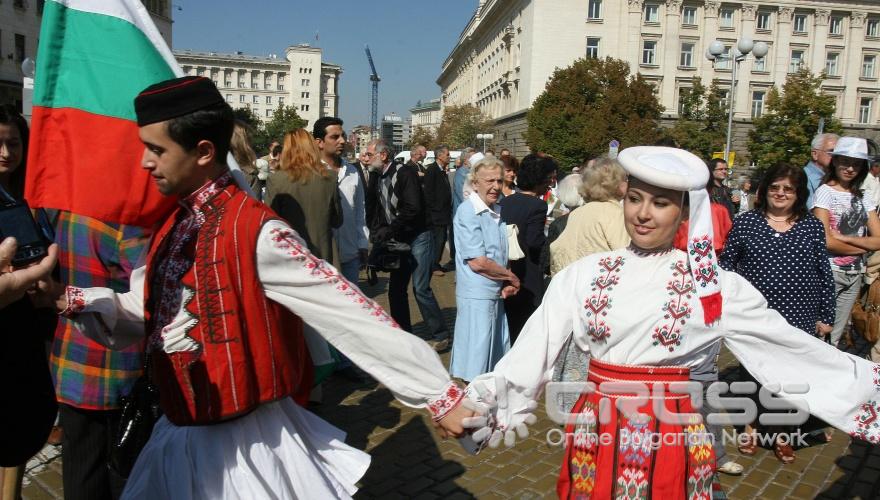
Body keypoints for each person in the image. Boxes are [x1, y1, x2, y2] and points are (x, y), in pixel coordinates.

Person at [39, 76, 472, 499]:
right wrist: (66, 297)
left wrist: (438, 394)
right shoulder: (175, 224)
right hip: (178, 435)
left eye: (157, 150)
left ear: (204, 152)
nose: (144, 163)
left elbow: (350, 312)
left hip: (243, 448)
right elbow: (152, 311)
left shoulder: (257, 232)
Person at [462, 146, 880, 498]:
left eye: (660, 203)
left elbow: (790, 349)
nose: (643, 214)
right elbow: (534, 349)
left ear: (684, 213)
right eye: (634, 198)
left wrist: (868, 391)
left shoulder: (713, 285)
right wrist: (474, 408)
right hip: (598, 427)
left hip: (673, 432)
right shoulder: (584, 274)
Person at [720, 163, 834, 464]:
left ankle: (782, 433)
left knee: (790, 376)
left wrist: (826, 315)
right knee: (753, 373)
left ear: (798, 194)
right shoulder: (747, 223)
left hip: (799, 315)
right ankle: (751, 427)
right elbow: (727, 265)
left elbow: (823, 271)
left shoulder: (811, 226)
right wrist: (726, 303)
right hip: (754, 314)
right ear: (765, 190)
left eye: (788, 189)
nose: (781, 194)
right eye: (775, 187)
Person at [0, 106, 59, 499]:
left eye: (14, 143)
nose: (6, 152)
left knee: (20, 411)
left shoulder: (33, 195)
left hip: (29, 318)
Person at [366, 139, 450, 348]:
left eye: (370, 154)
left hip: (418, 236)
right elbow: (374, 207)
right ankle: (404, 336)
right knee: (396, 290)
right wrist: (376, 232)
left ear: (383, 155)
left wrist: (390, 229)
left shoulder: (404, 173)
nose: (366, 159)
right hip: (398, 238)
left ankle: (441, 335)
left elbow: (413, 208)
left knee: (420, 288)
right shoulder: (376, 176)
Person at [450, 157, 519, 382]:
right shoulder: (468, 211)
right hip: (477, 294)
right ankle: (473, 395)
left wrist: (505, 279)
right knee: (476, 356)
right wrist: (511, 277)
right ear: (475, 183)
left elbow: (499, 251)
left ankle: (484, 395)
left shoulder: (496, 210)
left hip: (493, 291)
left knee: (492, 352)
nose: (496, 186)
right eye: (489, 181)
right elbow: (478, 262)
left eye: (499, 180)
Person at [813, 136, 880, 350]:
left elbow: (879, 239)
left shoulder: (863, 196)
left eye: (856, 164)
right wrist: (864, 245)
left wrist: (844, 238)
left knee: (836, 335)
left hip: (855, 273)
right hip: (829, 272)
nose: (850, 168)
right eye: (845, 162)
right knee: (820, 332)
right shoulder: (825, 192)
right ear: (835, 161)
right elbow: (826, 241)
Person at [499, 154, 553, 343]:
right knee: (526, 325)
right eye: (548, 179)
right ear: (540, 180)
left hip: (508, 267)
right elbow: (534, 241)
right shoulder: (538, 205)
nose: (550, 184)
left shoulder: (505, 201)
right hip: (528, 271)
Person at [266, 129, 341, 263]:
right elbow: (337, 220)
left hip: (289, 256)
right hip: (323, 256)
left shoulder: (276, 180)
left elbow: (270, 223)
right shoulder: (330, 178)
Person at [548, 158, 629, 276]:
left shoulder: (577, 213)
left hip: (570, 278)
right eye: (625, 179)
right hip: (598, 280)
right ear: (616, 184)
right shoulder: (616, 213)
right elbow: (626, 256)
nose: (628, 183)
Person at [313, 117, 367, 285]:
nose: (342, 141)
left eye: (342, 135)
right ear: (319, 142)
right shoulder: (310, 173)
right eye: (334, 137)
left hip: (350, 255)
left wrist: (363, 243)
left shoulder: (352, 172)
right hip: (320, 259)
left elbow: (360, 212)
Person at [423, 144, 453, 276]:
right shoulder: (432, 170)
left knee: (442, 239)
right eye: (447, 154)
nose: (449, 157)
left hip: (443, 213)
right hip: (436, 214)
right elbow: (428, 193)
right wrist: (434, 210)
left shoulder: (441, 170)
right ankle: (433, 266)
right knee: (438, 240)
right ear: (440, 156)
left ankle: (435, 263)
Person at [805, 133, 840, 209]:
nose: (836, 157)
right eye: (831, 152)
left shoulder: (838, 179)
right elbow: (810, 211)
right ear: (815, 154)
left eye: (839, 154)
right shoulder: (803, 178)